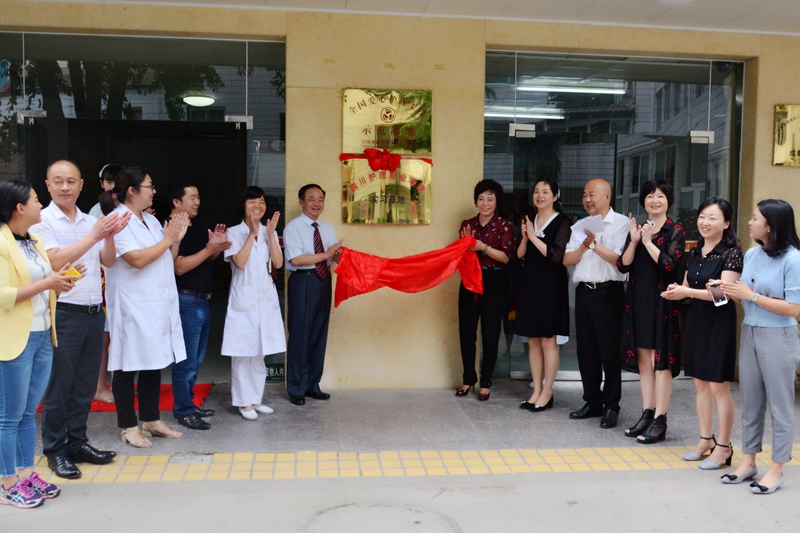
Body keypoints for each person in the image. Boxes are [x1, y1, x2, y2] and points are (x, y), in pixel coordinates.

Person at [31, 161, 129, 480]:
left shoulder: (90, 221)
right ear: (48, 185)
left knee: (85, 386)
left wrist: (109, 235)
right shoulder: (42, 221)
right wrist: (95, 235)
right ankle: (55, 450)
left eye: (71, 181)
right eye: (58, 181)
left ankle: (77, 442)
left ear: (81, 184)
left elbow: (108, 261)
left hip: (92, 312)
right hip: (63, 313)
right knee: (60, 387)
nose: (65, 187)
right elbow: (55, 260)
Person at [0, 180, 76, 508]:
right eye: (35, 200)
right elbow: (3, 296)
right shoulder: (1, 243)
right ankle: (6, 483)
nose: (40, 205)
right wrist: (48, 282)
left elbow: (42, 285)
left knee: (29, 412)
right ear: (19, 208)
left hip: (43, 334)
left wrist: (60, 283)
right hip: (14, 340)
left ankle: (26, 474)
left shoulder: (35, 241)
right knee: (9, 416)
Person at [719, 199, 800, 494]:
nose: (750, 222)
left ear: (771, 225)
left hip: (779, 337)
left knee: (780, 406)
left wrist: (750, 295)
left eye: (755, 218)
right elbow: (744, 294)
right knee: (751, 403)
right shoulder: (753, 254)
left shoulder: (794, 259)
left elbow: (794, 309)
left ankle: (777, 468)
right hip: (750, 331)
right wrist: (729, 290)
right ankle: (748, 461)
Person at [103, 168, 188, 448]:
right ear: (132, 190)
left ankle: (151, 419)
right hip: (133, 306)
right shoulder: (117, 220)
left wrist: (175, 239)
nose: (154, 191)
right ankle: (128, 426)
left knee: (154, 361)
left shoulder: (150, 221)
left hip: (156, 304)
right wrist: (168, 239)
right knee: (126, 365)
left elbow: (165, 256)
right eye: (150, 186)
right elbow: (137, 260)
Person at [661, 198, 742, 467]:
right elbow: (687, 286)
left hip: (719, 323)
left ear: (726, 223)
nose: (705, 222)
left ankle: (724, 446)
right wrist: (676, 291)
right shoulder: (695, 251)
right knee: (700, 384)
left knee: (718, 386)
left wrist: (688, 292)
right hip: (696, 320)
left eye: (713, 218)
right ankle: (706, 439)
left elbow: (724, 295)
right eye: (702, 217)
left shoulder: (731, 253)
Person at [616, 180, 685, 443]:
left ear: (668, 201)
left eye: (660, 196)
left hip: (663, 302)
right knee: (644, 359)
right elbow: (623, 265)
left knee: (660, 362)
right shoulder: (638, 230)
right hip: (638, 300)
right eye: (650, 196)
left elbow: (670, 265)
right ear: (643, 201)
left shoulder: (675, 230)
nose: (654, 201)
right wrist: (635, 241)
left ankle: (660, 418)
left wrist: (648, 242)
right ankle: (647, 412)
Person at [563, 178, 629, 429]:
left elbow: (619, 259)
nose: (587, 199)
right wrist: (583, 246)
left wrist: (593, 244)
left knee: (609, 352)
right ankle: (592, 401)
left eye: (592, 194)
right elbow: (567, 260)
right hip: (584, 292)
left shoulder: (621, 223)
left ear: (607, 197)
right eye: (584, 195)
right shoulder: (580, 225)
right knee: (586, 351)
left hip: (609, 293)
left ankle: (611, 405)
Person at [168, 180, 231, 429]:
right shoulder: (172, 228)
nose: (197, 202)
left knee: (196, 359)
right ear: (176, 201)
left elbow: (207, 258)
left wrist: (216, 246)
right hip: (186, 300)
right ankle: (183, 411)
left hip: (202, 300)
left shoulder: (196, 225)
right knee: (184, 361)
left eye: (198, 197)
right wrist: (208, 249)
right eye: (192, 197)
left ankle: (189, 404)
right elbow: (179, 267)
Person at [221, 186, 285, 420]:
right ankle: (243, 402)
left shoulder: (269, 232)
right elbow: (239, 262)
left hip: (264, 299)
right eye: (252, 201)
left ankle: (256, 399)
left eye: (261, 201)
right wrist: (251, 234)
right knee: (241, 353)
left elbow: (278, 263)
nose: (258, 205)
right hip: (243, 300)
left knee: (260, 352)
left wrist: (270, 235)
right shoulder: (233, 232)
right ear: (243, 206)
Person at [284, 184, 343, 406]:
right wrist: (326, 254)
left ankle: (312, 385)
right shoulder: (294, 227)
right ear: (301, 202)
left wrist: (339, 255)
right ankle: (296, 388)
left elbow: (333, 258)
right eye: (311, 199)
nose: (317, 203)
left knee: (319, 333)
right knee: (300, 334)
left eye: (320, 199)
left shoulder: (327, 229)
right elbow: (296, 259)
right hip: (303, 281)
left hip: (323, 281)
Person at [455, 179, 513, 401]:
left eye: (490, 198)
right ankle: (468, 379)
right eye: (481, 198)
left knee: (490, 332)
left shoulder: (504, 225)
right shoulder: (467, 224)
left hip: (494, 280)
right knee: (467, 331)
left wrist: (482, 247)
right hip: (470, 279)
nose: (485, 203)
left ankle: (486, 382)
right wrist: (464, 245)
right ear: (476, 201)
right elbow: (460, 254)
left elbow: (506, 257)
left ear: (497, 202)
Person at [516, 178, 570, 412]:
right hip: (531, 284)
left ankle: (548, 392)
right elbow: (520, 254)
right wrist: (525, 238)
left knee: (549, 341)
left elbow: (556, 256)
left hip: (552, 286)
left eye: (545, 192)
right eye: (536, 191)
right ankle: (536, 389)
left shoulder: (563, 222)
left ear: (555, 197)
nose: (540, 195)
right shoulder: (530, 219)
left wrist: (534, 237)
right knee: (533, 340)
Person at [90, 163, 123, 404]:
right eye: (109, 182)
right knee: (105, 337)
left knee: (117, 335)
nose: (113, 187)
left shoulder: (125, 208)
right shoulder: (97, 211)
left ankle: (116, 385)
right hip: (104, 278)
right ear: (102, 184)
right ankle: (100, 387)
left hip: (121, 277)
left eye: (117, 182)